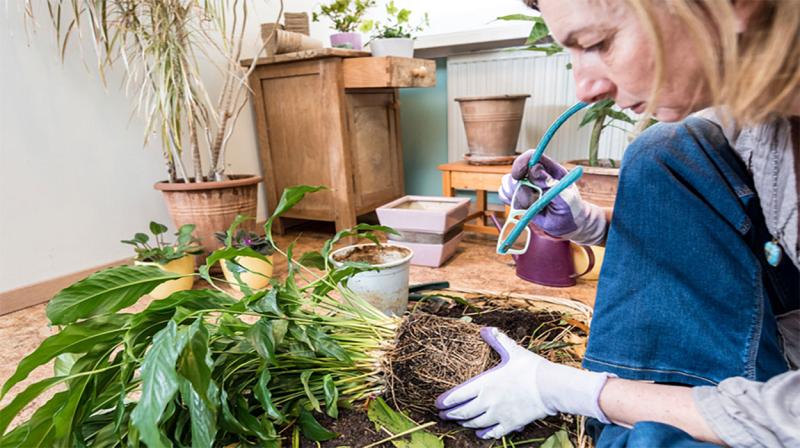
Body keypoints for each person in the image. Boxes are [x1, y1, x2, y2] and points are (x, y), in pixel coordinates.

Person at [435, 1, 800, 446]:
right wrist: (591, 225)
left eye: (597, 43)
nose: (584, 87)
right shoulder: (760, 120)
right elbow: (715, 219)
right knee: (665, 150)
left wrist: (579, 391)